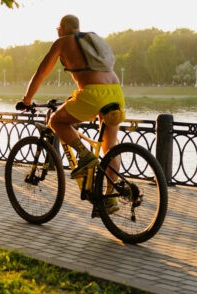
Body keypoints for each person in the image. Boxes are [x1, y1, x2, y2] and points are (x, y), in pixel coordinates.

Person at [20, 15, 125, 213]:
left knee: (56, 121)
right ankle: (111, 198)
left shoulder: (63, 42)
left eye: (58, 27)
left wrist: (27, 99)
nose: (57, 31)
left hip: (94, 93)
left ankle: (85, 156)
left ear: (66, 27)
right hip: (116, 92)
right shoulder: (92, 40)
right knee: (110, 146)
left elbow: (41, 72)